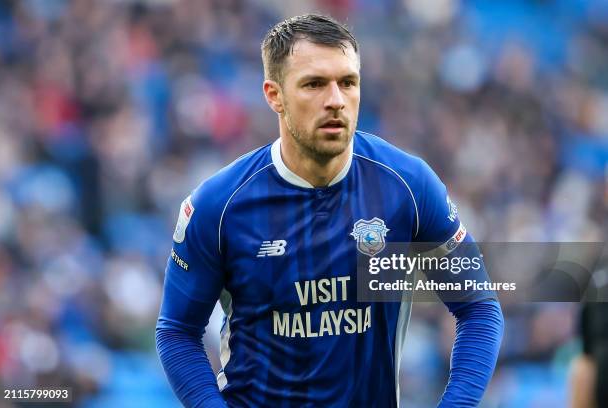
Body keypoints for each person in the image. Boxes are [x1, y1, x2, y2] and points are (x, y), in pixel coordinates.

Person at [156, 14, 504, 407]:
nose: (336, 99)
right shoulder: (218, 205)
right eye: (314, 84)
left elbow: (479, 309)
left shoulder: (408, 185)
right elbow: (177, 331)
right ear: (274, 95)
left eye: (348, 82)